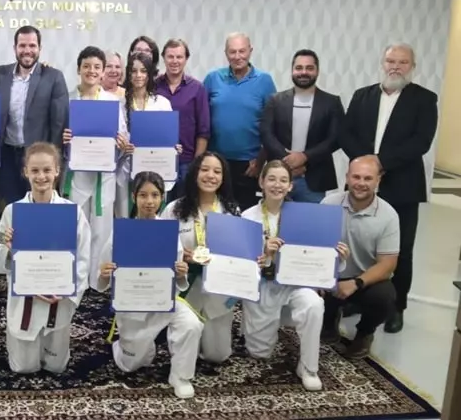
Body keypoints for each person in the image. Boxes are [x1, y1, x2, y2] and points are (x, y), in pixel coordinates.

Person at [338, 43, 437, 333]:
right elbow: (346, 133)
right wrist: (366, 166)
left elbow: (421, 142)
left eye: (403, 62)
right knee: (357, 242)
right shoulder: (362, 96)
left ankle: (397, 307)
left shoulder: (424, 99)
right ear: (383, 63)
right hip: (361, 184)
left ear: (412, 66)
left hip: (403, 185)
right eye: (391, 60)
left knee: (401, 249)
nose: (396, 66)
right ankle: (357, 297)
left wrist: (378, 164)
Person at [240, 160, 349, 391]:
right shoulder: (247, 217)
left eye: (283, 180)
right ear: (261, 181)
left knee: (313, 304)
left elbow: (318, 258)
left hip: (295, 285)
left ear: (290, 186)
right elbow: (242, 266)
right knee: (259, 353)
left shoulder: (305, 216)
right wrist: (265, 253)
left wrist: (337, 258)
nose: (277, 185)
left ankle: (309, 367)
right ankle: (270, 324)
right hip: (263, 287)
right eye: (271, 179)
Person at [97, 171, 202, 399]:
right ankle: (125, 347)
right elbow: (103, 272)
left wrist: (181, 273)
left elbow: (177, 275)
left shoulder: (167, 231)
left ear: (162, 198)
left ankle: (180, 376)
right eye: (143, 195)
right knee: (132, 365)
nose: (149, 201)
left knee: (192, 324)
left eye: (155, 195)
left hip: (163, 300)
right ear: (134, 197)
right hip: (133, 304)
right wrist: (105, 274)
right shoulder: (121, 231)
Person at [0, 142, 91, 374]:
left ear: (57, 171)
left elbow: (83, 258)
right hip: (25, 300)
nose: (41, 176)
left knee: (56, 367)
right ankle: (16, 341)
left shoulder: (73, 212)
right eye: (35, 170)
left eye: (47, 170)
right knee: (23, 368)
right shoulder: (13, 211)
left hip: (59, 299)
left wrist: (68, 292)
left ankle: (55, 342)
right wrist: (9, 247)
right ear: (25, 172)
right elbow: (3, 259)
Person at [160, 152, 239, 364]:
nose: (210, 176)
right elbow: (160, 249)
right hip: (186, 285)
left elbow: (237, 255)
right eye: (204, 169)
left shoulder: (231, 211)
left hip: (217, 287)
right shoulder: (174, 209)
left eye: (217, 171)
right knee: (185, 353)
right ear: (195, 172)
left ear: (223, 178)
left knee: (217, 356)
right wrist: (180, 255)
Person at [320, 156, 399, 359]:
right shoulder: (328, 204)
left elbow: (388, 265)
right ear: (346, 177)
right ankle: (329, 321)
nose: (361, 183)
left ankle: (365, 333)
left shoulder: (388, 216)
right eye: (356, 177)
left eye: (367, 178)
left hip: (364, 279)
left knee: (384, 296)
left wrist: (356, 283)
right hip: (331, 276)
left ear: (378, 180)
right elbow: (314, 247)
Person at [61, 46, 128, 289]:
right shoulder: (67, 98)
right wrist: (64, 138)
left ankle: (97, 280)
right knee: (76, 227)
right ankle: (77, 279)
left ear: (103, 72)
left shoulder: (112, 102)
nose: (91, 71)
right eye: (86, 66)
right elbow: (58, 133)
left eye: (97, 67)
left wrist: (122, 141)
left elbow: (122, 135)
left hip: (103, 175)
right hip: (76, 174)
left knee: (101, 229)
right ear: (79, 69)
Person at [0, 25, 69, 206]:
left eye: (32, 46)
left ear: (40, 49)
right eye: (22, 46)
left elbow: (58, 123)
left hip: (39, 158)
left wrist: (53, 160)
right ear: (15, 48)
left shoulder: (53, 77)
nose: (27, 51)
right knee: (10, 206)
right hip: (7, 155)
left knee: (39, 205)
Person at [203, 32, 276, 210]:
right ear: (226, 53)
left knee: (244, 216)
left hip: (249, 165)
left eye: (242, 51)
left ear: (250, 51)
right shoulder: (213, 79)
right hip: (216, 162)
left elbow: (273, 125)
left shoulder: (264, 81)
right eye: (232, 52)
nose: (237, 57)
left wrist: (260, 160)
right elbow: (201, 120)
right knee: (214, 213)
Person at [260, 49, 343, 203]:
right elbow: (266, 134)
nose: (303, 72)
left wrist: (305, 157)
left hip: (314, 179)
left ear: (317, 71)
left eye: (309, 68)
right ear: (292, 70)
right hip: (278, 176)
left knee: (310, 226)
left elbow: (335, 139)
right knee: (274, 223)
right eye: (299, 68)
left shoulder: (332, 103)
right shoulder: (275, 101)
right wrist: (288, 162)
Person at [117, 52, 180, 218]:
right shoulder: (119, 104)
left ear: (150, 74)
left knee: (153, 217)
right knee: (126, 218)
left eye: (143, 71)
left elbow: (168, 138)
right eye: (134, 71)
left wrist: (174, 148)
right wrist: (122, 146)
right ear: (128, 73)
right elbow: (115, 140)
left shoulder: (162, 103)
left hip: (155, 168)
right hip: (126, 170)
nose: (138, 75)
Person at [155, 39, 210, 202]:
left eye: (179, 57)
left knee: (183, 209)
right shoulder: (153, 86)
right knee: (159, 207)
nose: (174, 61)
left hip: (186, 161)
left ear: (186, 59)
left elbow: (204, 130)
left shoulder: (197, 88)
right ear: (163, 58)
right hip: (158, 158)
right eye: (170, 56)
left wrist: (196, 163)